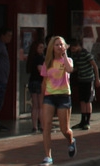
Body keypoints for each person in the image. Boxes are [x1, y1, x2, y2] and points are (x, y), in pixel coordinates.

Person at [39, 36, 76, 166]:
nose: (60, 47)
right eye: (57, 45)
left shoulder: (68, 60)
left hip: (64, 96)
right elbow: (44, 82)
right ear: (52, 47)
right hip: (49, 96)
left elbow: (70, 69)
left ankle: (71, 140)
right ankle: (48, 156)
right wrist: (42, 99)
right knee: (47, 126)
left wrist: (64, 55)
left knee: (64, 129)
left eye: (62, 44)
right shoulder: (47, 62)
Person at [69, 38, 100, 130]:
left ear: (78, 46)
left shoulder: (86, 54)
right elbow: (77, 67)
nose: (72, 50)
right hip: (81, 79)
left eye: (73, 48)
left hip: (88, 79)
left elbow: (94, 66)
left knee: (88, 100)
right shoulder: (75, 55)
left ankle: (87, 121)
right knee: (82, 100)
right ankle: (82, 120)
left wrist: (97, 78)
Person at [27, 40, 45, 133]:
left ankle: (34, 126)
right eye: (40, 47)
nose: (42, 49)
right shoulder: (40, 58)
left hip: (32, 81)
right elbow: (40, 70)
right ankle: (42, 126)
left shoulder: (31, 58)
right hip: (39, 82)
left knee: (35, 105)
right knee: (41, 106)